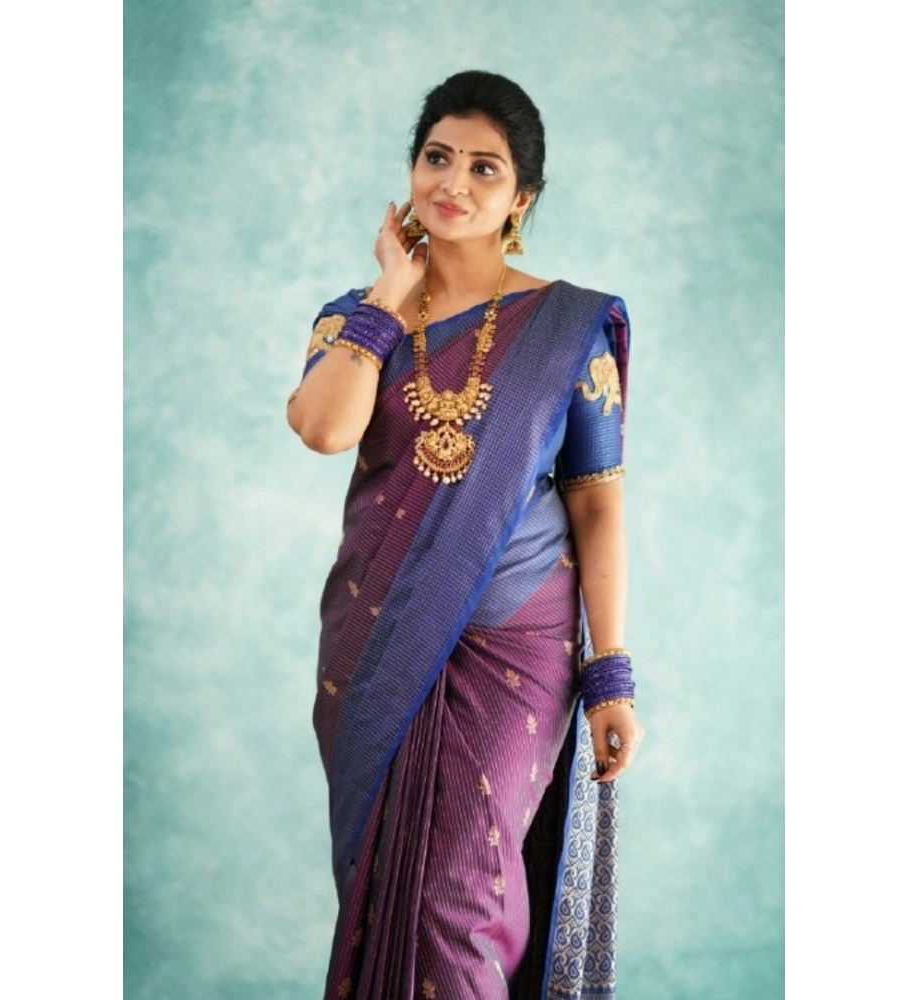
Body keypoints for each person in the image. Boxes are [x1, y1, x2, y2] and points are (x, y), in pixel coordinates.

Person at [286, 69, 645, 1000]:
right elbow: (323, 429)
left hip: (514, 647)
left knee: (459, 895)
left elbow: (597, 504)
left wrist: (610, 670)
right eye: (437, 157)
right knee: (384, 895)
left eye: (485, 167)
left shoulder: (567, 329)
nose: (454, 182)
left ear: (521, 197)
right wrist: (388, 294)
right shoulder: (356, 317)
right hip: (378, 641)